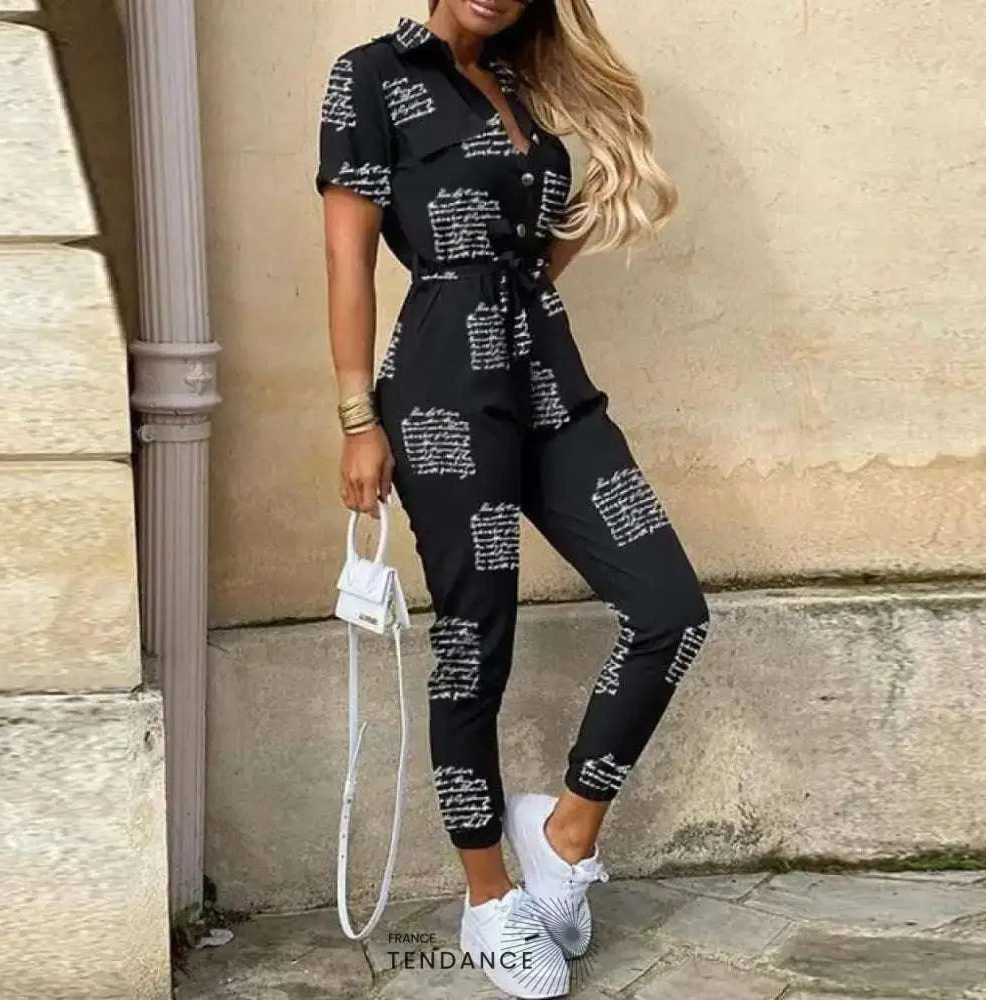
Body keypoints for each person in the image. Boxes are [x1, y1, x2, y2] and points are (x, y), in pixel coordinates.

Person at [316, 1, 711, 996]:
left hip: (549, 382)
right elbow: (347, 256)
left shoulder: (527, 85)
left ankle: (564, 835)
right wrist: (358, 418)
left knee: (670, 609)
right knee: (474, 639)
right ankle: (489, 896)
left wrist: (541, 248)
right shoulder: (370, 75)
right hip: (445, 392)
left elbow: (539, 245)